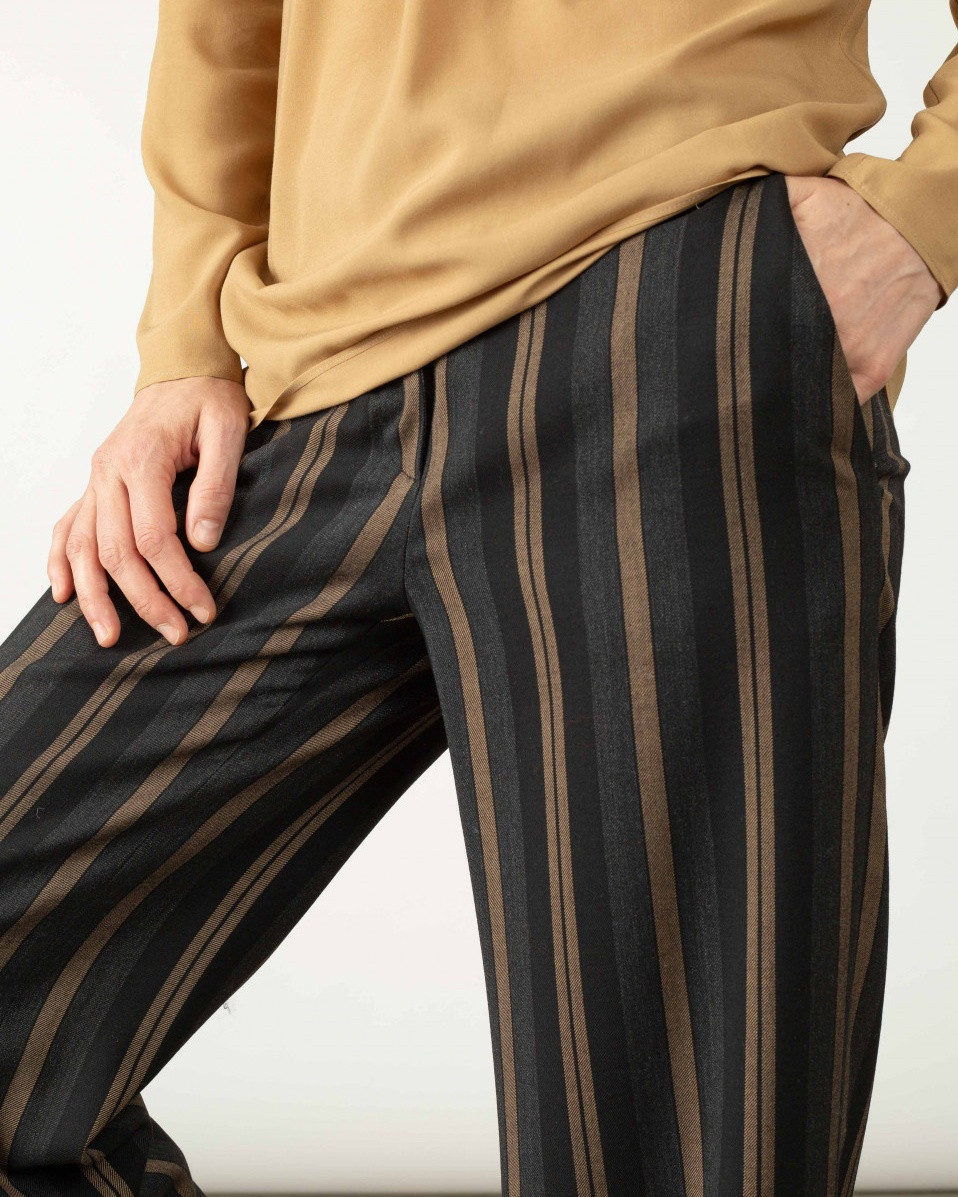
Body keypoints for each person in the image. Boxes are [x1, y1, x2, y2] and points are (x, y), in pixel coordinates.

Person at [0, 1, 953, 1193]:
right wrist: (185, 343)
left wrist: (921, 220)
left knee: (675, 1153)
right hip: (305, 384)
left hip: (665, 311)